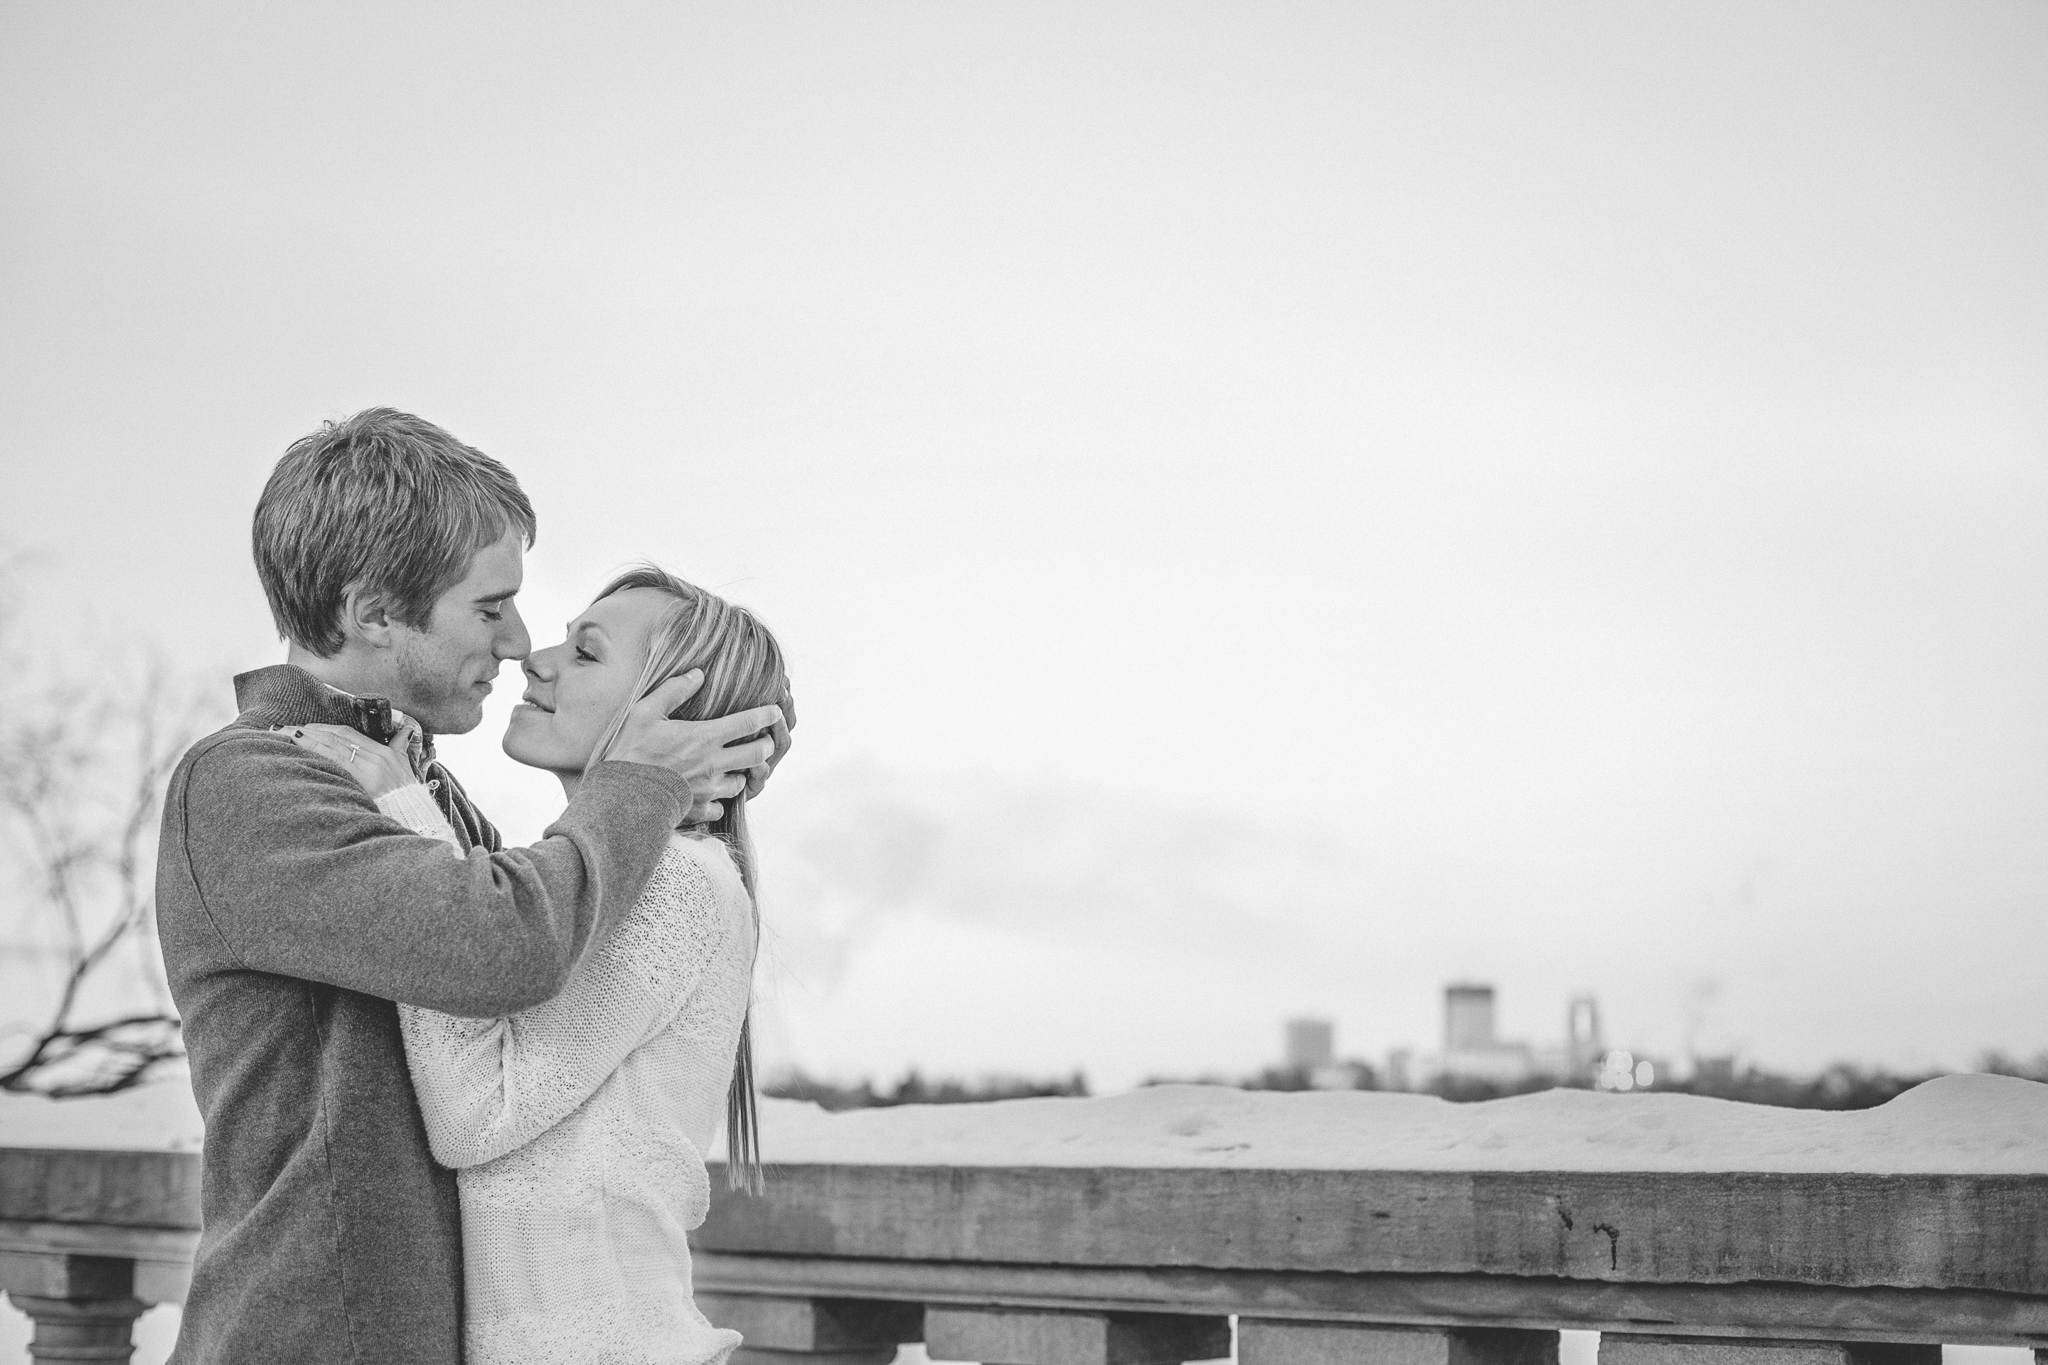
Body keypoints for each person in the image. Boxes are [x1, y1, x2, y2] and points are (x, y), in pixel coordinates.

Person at [156, 410, 788, 1365]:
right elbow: (501, 943)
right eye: (490, 608)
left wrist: (671, 791)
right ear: (374, 612)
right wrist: (647, 785)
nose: (518, 642)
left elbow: (545, 932)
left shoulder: (413, 783)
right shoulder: (256, 783)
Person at [289, 565, 784, 1365]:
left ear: (668, 714)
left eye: (586, 653)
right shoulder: (605, 873)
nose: (536, 658)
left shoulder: (679, 881)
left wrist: (406, 825)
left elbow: (479, 1111)